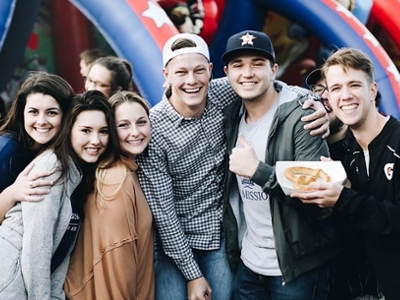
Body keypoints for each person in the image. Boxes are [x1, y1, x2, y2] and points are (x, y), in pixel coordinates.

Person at [137, 32, 330, 300]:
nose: (191, 81)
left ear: (212, 71)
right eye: (180, 72)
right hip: (176, 242)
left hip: (221, 238)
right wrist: (193, 275)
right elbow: (164, 214)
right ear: (165, 74)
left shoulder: (223, 91)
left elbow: (270, 83)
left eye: (198, 71)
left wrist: (313, 103)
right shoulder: (154, 128)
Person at [220, 30, 340, 299]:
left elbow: (317, 191)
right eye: (238, 65)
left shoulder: (303, 115)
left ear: (274, 69)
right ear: (227, 72)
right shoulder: (231, 116)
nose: (247, 73)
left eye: (257, 64)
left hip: (297, 266)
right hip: (249, 264)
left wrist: (257, 170)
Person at [292, 47, 400, 299]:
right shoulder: (347, 152)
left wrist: (344, 200)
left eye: (354, 85)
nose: (346, 96)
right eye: (336, 88)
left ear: (372, 90)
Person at [0, 90, 118, 298]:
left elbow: (60, 248)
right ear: (69, 129)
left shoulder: (77, 172)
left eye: (104, 131)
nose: (96, 140)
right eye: (86, 130)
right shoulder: (50, 168)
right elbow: (37, 248)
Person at [65, 91, 154, 299]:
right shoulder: (116, 179)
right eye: (123, 125)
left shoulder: (126, 169)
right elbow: (117, 266)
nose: (135, 132)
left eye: (141, 122)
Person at [0, 72, 75, 223]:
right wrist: (10, 194)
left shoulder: (62, 153)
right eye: (33, 112)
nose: (41, 121)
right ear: (22, 113)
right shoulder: (8, 148)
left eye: (51, 112)